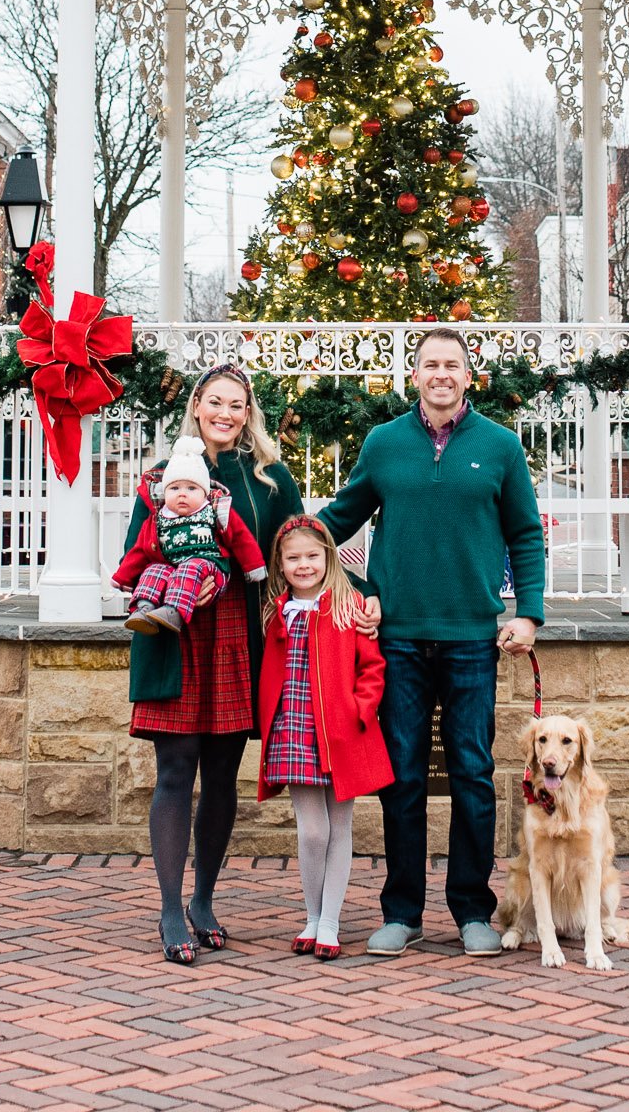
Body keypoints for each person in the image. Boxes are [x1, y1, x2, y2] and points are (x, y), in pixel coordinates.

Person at [317, 327, 545, 958]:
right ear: (414, 375)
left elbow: (525, 536)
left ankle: (473, 909)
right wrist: (361, 582)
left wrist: (529, 615)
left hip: (474, 638)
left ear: (468, 376)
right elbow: (338, 520)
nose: (441, 374)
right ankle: (403, 911)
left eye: (453, 365)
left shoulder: (499, 447)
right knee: (403, 778)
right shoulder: (385, 444)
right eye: (430, 365)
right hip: (399, 641)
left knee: (473, 774)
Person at [123, 365, 302, 965]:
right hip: (173, 635)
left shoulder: (268, 479)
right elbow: (133, 553)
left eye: (237, 405)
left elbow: (301, 545)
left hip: (234, 635)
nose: (225, 413)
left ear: (247, 413)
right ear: (197, 406)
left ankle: (203, 900)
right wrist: (157, 585)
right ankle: (170, 908)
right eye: (215, 402)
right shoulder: (161, 477)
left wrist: (361, 592)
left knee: (223, 775)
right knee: (175, 772)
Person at [257, 515, 393, 960]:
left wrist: (361, 709)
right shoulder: (277, 611)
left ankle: (330, 923)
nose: (304, 565)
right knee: (312, 831)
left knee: (340, 826)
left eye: (312, 556)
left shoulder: (348, 604)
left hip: (341, 730)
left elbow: (372, 668)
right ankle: (312, 915)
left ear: (328, 557)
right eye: (293, 558)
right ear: (280, 563)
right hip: (294, 728)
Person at [113, 435, 266, 632]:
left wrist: (254, 567)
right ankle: (144, 608)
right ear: (165, 492)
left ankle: (173, 611)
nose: (182, 494)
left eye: (192, 488)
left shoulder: (215, 509)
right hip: (173, 569)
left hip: (211, 568)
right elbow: (139, 550)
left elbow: (240, 538)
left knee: (191, 567)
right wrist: (122, 578)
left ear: (204, 492)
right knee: (155, 569)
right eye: (174, 488)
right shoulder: (158, 518)